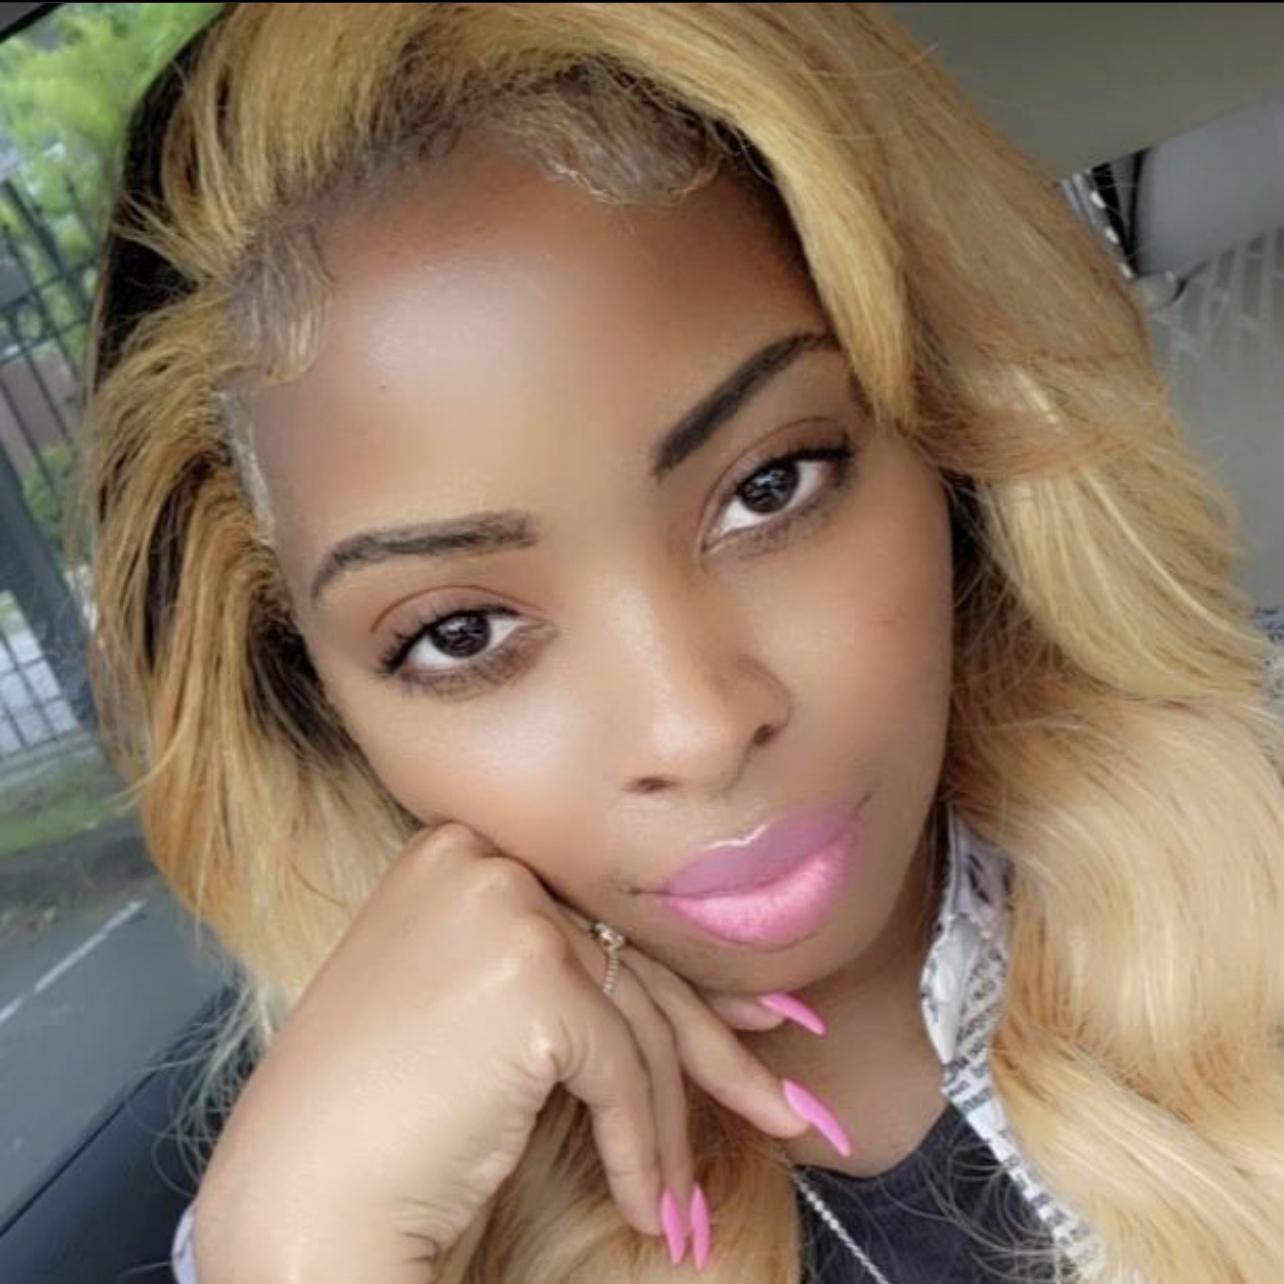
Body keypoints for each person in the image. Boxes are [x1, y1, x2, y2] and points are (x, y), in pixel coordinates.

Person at [73, 4, 1284, 1283]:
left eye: (771, 488)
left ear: (943, 425)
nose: (697, 728)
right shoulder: (332, 1214)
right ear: (307, 700)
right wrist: (303, 1249)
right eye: (463, 633)